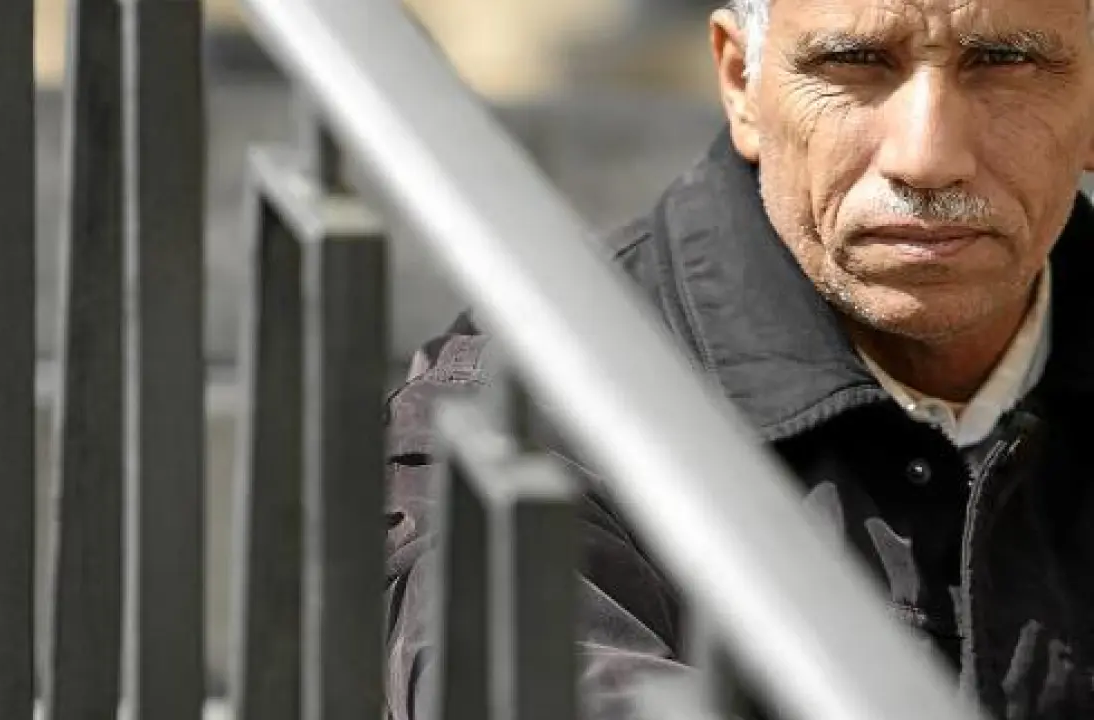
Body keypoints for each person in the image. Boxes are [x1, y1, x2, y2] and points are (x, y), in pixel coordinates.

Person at [384, 0, 1094, 717]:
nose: (927, 159)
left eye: (1007, 61)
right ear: (740, 85)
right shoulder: (519, 419)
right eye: (852, 62)